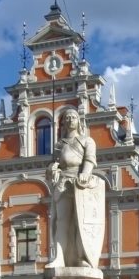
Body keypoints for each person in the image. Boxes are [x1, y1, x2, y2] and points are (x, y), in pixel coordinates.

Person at [45, 108, 104, 269]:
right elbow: (53, 164)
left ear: (79, 121)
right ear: (63, 122)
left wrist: (85, 173)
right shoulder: (59, 144)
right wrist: (53, 169)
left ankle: (83, 257)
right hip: (64, 183)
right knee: (61, 221)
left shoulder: (87, 141)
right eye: (67, 117)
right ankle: (59, 257)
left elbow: (90, 160)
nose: (70, 120)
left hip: (80, 184)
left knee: (81, 223)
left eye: (73, 117)